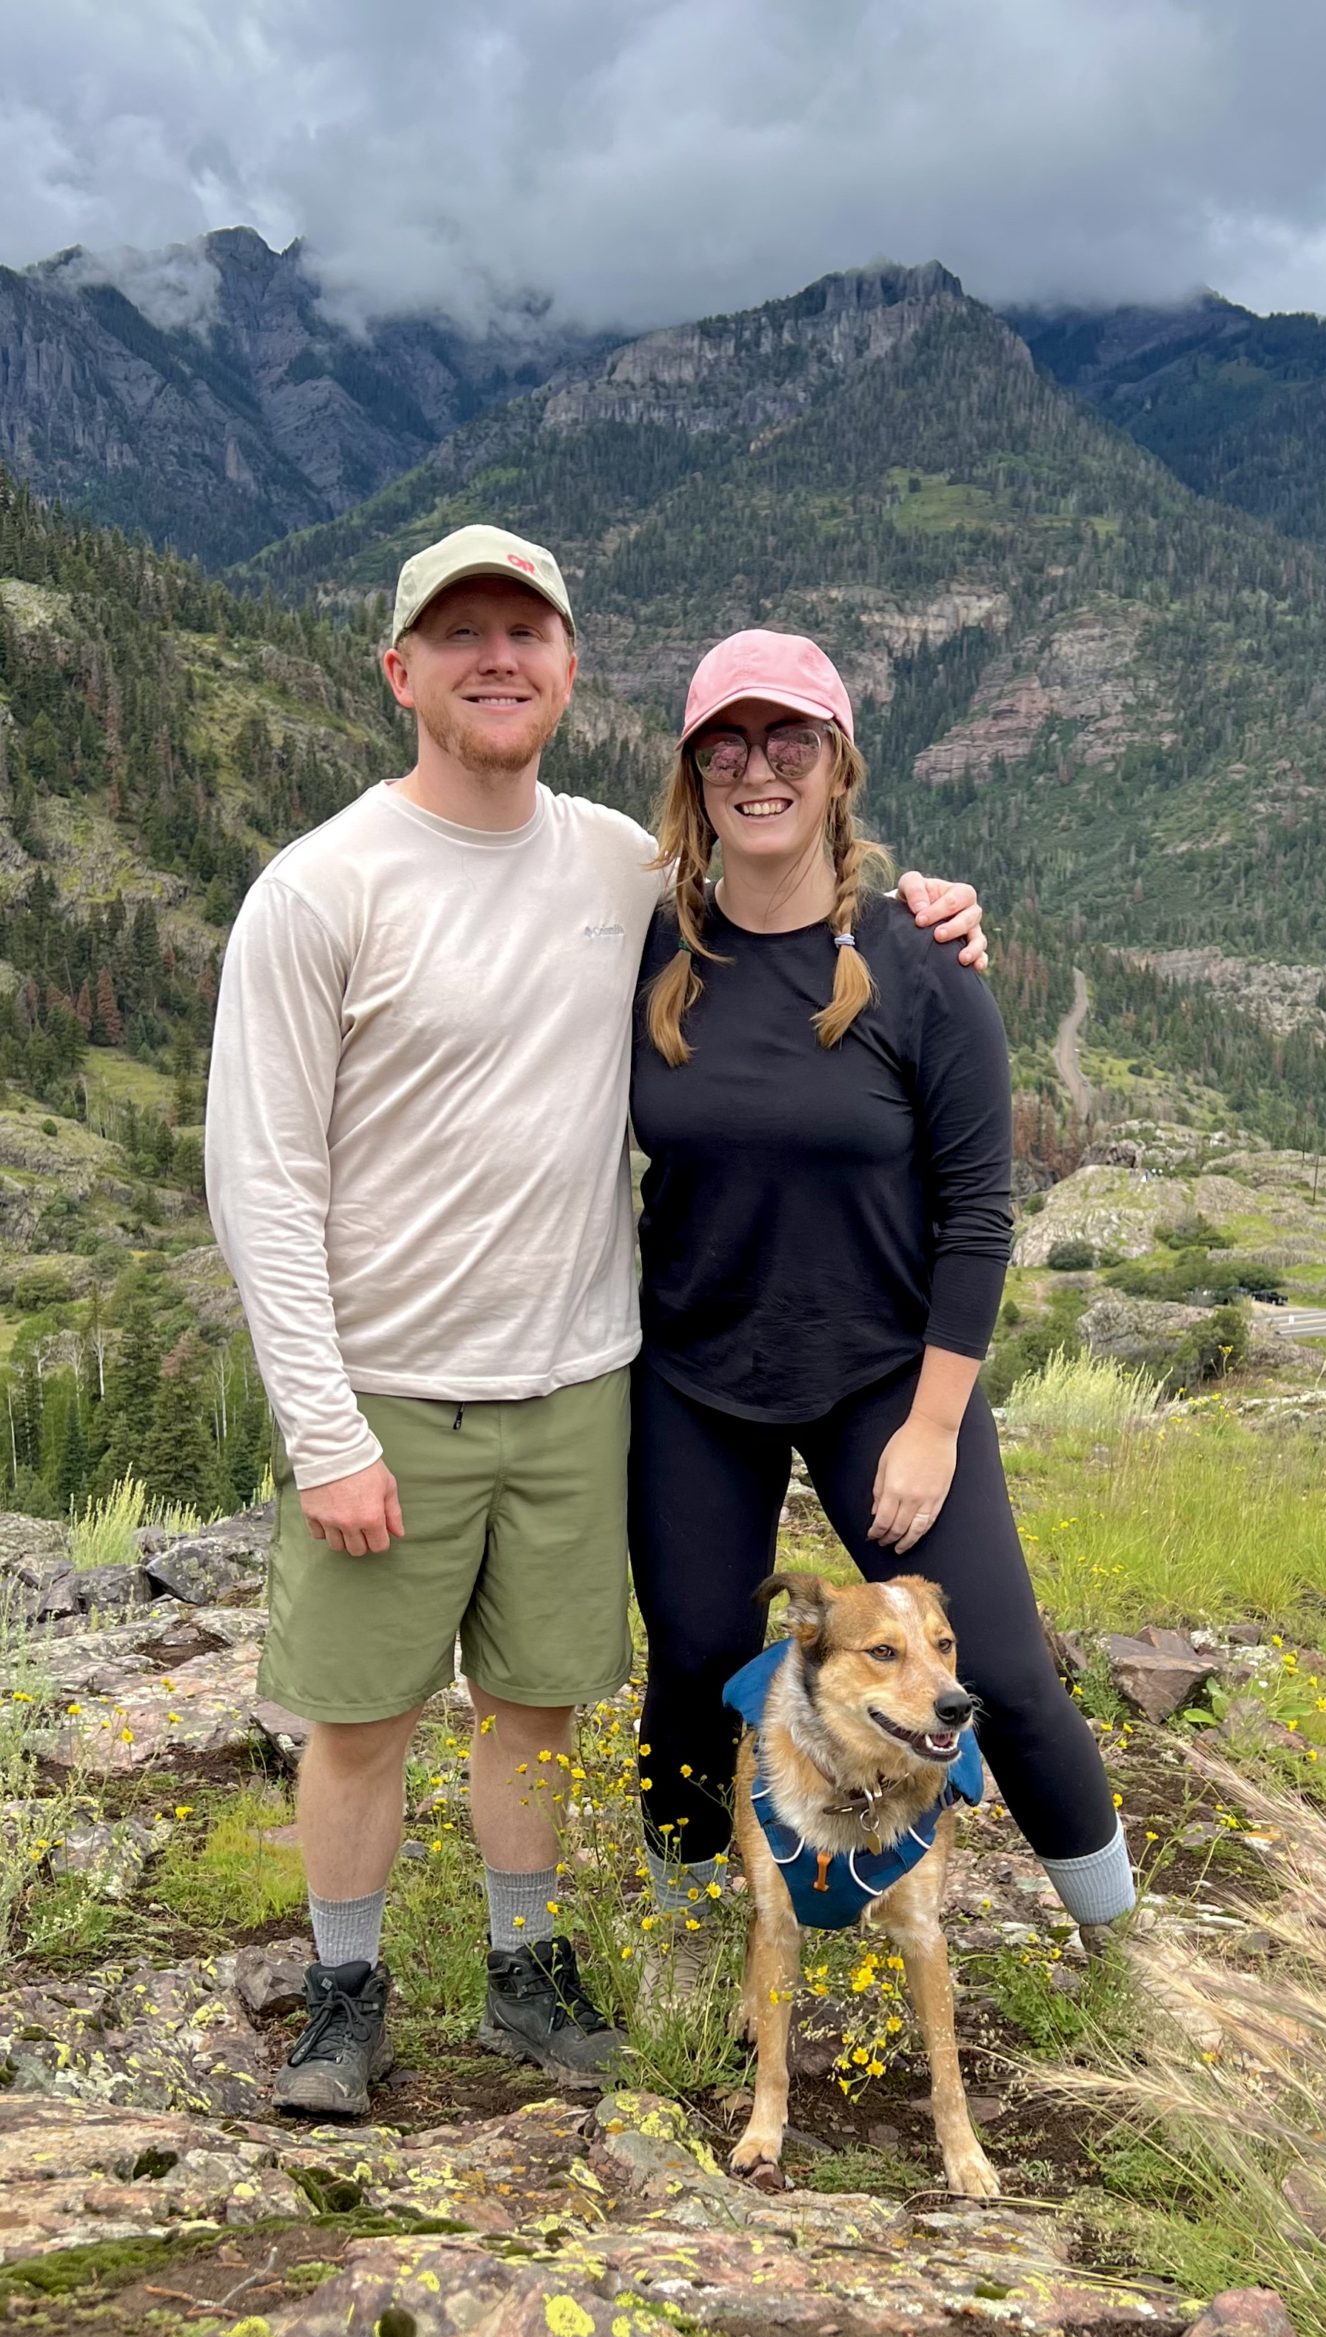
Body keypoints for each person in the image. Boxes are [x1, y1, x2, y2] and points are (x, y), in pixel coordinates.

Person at [205, 530, 986, 2119]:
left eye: (526, 634)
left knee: (536, 1705)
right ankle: (345, 1992)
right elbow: (260, 1182)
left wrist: (925, 916)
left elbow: (788, 891)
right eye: (459, 635)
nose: (496, 659)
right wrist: (324, 1429)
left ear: (567, 670)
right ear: (401, 672)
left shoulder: (620, 867)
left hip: (580, 1381)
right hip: (392, 1392)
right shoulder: (320, 890)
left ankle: (523, 1972)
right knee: (359, 1719)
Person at [628, 630, 1135, 1944]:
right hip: (696, 1379)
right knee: (691, 1664)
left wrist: (929, 1426)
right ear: (694, 775)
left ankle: (1126, 1946)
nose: (758, 770)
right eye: (726, 745)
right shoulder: (648, 955)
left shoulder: (922, 967)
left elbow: (978, 1214)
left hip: (882, 1381)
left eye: (787, 741)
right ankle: (696, 1936)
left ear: (837, 766)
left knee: (1009, 1678)